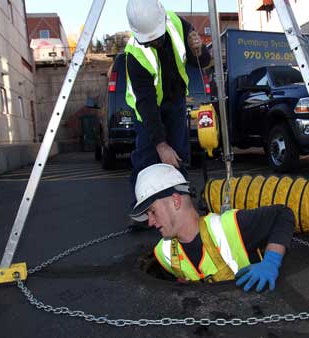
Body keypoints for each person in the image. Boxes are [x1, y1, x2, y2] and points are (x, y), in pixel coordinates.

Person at [129, 163, 295, 291]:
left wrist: (271, 262)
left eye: (152, 212)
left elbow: (282, 214)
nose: (150, 222)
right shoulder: (163, 253)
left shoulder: (228, 227)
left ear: (176, 201)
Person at [124, 0, 211, 198]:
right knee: (147, 158)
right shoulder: (134, 55)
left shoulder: (177, 24)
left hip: (176, 100)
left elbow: (202, 61)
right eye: (149, 40)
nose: (154, 42)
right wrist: (161, 145)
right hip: (146, 110)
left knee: (178, 154)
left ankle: (180, 201)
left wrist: (199, 50)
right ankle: (143, 207)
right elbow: (147, 104)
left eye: (157, 37)